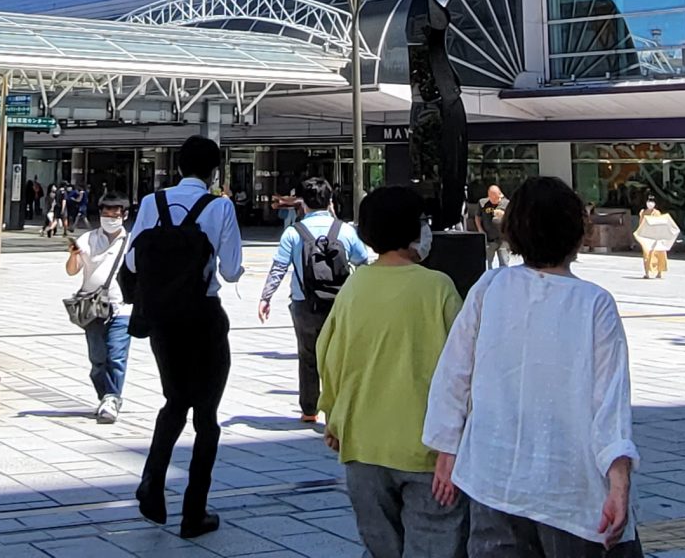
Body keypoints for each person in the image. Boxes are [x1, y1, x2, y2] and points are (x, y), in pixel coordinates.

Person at [424, 176, 637, 556]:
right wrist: (619, 483)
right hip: (570, 488)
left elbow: (454, 374)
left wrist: (447, 450)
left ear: (513, 232)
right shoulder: (594, 303)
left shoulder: (489, 288)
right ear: (577, 233)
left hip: (493, 474)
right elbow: (610, 402)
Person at [319, 186, 469, 558]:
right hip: (428, 450)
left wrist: (335, 418)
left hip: (363, 446)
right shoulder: (437, 288)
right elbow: (463, 366)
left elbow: (328, 355)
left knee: (380, 546)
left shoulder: (354, 286)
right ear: (413, 229)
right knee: (435, 543)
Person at [124, 134, 246, 540]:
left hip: (162, 319)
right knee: (207, 417)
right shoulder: (220, 205)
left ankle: (151, 484)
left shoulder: (150, 203)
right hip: (203, 317)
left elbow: (131, 259)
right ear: (215, 170)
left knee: (174, 401)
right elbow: (229, 270)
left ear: (177, 166)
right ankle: (194, 512)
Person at [259, 176, 373, 423]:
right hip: (341, 303)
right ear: (330, 200)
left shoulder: (293, 232)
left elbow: (279, 267)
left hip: (304, 303)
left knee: (308, 355)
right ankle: (339, 409)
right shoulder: (345, 230)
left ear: (302, 202)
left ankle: (309, 409)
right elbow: (363, 261)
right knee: (339, 355)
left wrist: (266, 297)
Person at [64, 193, 136, 424]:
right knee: (97, 360)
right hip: (92, 307)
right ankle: (104, 396)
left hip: (121, 307)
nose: (110, 218)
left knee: (116, 356)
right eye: (106, 214)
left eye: (115, 215)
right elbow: (72, 270)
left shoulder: (132, 241)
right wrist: (73, 256)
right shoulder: (88, 239)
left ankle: (113, 398)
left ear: (124, 216)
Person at [633, 199, 679, 279]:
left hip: (657, 237)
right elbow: (641, 224)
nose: (650, 204)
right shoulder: (643, 212)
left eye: (652, 202)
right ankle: (647, 273)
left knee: (660, 254)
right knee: (647, 254)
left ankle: (659, 272)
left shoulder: (657, 213)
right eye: (648, 202)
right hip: (647, 237)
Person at [478, 184, 509, 268]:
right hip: (489, 238)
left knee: (504, 262)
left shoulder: (506, 203)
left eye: (496, 197)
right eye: (492, 197)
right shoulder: (483, 203)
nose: (494, 199)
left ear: (500, 195)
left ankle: (503, 279)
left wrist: (503, 215)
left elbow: (513, 218)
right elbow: (478, 216)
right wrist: (480, 229)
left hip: (503, 238)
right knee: (487, 262)